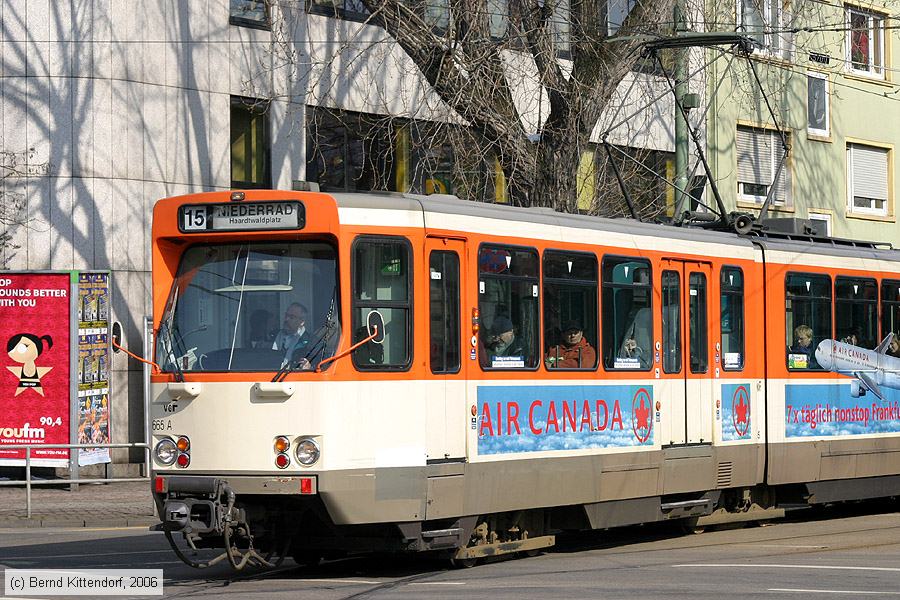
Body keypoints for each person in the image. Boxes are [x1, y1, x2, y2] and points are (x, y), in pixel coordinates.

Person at [272, 302, 313, 368]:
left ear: (302, 322)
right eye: (286, 315)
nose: (286, 319)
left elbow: (318, 367)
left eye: (291, 317)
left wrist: (309, 367)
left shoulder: (310, 343)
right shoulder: (272, 336)